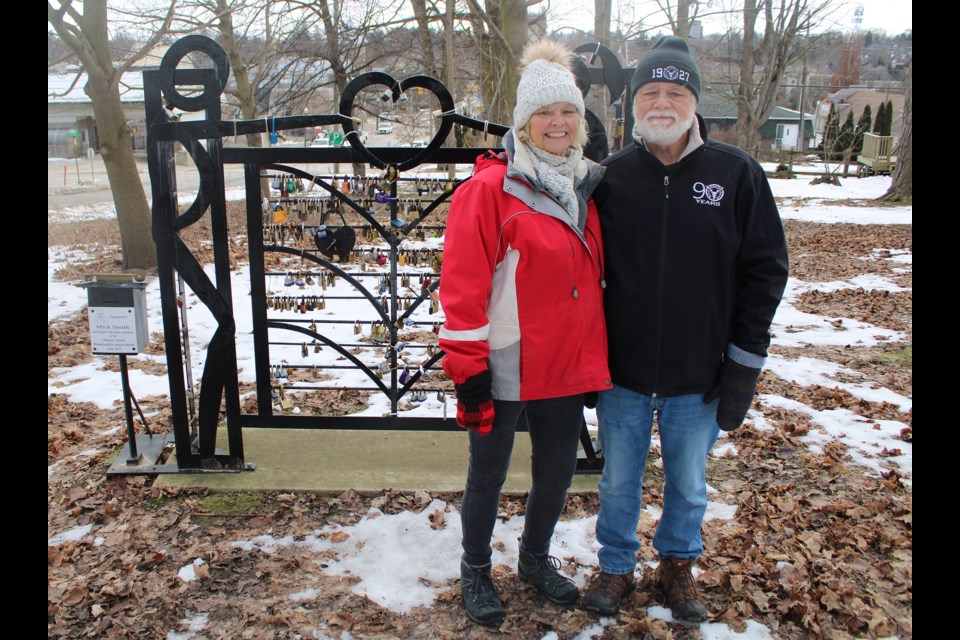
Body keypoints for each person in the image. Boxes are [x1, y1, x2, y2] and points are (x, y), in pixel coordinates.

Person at [581, 36, 789, 622]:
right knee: (618, 481)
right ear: (633, 103)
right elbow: (582, 272)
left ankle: (676, 566)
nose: (662, 102)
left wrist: (744, 363)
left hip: (700, 371)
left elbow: (765, 271)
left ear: (694, 101)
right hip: (622, 368)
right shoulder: (610, 177)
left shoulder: (736, 173)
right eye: (650, 92)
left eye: (676, 91)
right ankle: (617, 567)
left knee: (689, 485)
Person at [438, 39, 612, 627]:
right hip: (506, 360)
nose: (557, 123)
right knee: (488, 471)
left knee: (557, 468)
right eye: (544, 113)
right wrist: (469, 369)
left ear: (580, 120)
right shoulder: (491, 190)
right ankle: (475, 569)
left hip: (565, 363)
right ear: (524, 122)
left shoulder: (586, 186)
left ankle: (535, 561)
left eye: (567, 111)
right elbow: (461, 288)